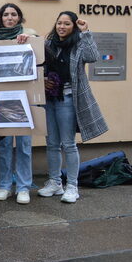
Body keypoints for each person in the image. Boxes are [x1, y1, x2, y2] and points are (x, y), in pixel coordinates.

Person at [38, 11, 107, 203]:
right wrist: (42, 80)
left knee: (68, 144)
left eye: (67, 24)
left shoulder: (78, 44)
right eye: (59, 23)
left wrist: (86, 32)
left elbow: (93, 56)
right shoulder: (48, 43)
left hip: (68, 97)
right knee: (52, 143)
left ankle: (72, 186)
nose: (61, 27)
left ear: (73, 27)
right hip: (49, 98)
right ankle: (54, 183)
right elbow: (38, 65)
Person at [0, 3, 38, 205]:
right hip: (1, 97)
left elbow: (41, 60)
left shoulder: (30, 34)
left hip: (25, 97)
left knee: (24, 145)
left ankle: (24, 187)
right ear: (0, 17)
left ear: (19, 17)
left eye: (14, 14)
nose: (10, 17)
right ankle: (4, 185)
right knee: (4, 144)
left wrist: (30, 42)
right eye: (6, 14)